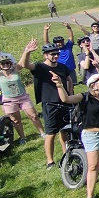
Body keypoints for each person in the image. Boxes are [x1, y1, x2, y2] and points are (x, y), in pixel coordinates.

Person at [51, 72, 99, 198]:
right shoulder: (84, 97)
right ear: (92, 85)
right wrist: (59, 84)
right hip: (91, 135)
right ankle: (90, 197)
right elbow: (66, 99)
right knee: (93, 166)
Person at [20, 39, 72, 169]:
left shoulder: (62, 67)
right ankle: (50, 161)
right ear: (45, 55)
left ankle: (67, 154)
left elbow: (69, 79)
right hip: (50, 104)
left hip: (65, 102)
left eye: (56, 54)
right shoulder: (40, 67)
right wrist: (27, 52)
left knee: (65, 130)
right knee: (51, 133)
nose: (55, 56)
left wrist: (70, 94)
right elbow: (25, 65)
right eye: (52, 54)